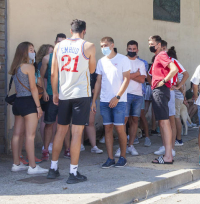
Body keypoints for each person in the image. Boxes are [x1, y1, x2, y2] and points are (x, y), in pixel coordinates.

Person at [47, 19, 96, 184]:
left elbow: (53, 74)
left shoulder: (59, 46)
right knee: (76, 133)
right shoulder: (88, 45)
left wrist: (55, 92)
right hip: (81, 93)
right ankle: (73, 172)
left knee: (60, 131)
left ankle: (53, 168)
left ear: (70, 30)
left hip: (64, 93)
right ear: (84, 30)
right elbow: (92, 70)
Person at [10, 42, 48, 174]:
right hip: (28, 102)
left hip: (18, 101)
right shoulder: (29, 67)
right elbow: (33, 88)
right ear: (24, 52)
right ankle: (33, 166)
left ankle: (16, 164)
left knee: (16, 134)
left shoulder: (15, 67)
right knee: (30, 136)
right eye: (30, 50)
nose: (33, 52)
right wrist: (38, 106)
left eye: (33, 49)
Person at [93, 37, 131, 168]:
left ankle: (123, 157)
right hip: (104, 101)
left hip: (119, 101)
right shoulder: (101, 61)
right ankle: (110, 158)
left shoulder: (123, 59)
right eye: (102, 45)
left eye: (106, 45)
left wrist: (117, 97)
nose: (103, 48)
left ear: (112, 45)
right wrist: (94, 100)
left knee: (120, 129)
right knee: (107, 128)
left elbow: (127, 79)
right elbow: (98, 81)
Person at [148, 35, 178, 164]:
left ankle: (168, 156)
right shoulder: (158, 57)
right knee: (163, 123)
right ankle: (168, 155)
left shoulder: (161, 55)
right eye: (149, 43)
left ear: (159, 44)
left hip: (161, 90)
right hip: (160, 91)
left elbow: (174, 69)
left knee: (164, 123)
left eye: (152, 43)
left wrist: (164, 81)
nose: (150, 46)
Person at [40, 34, 69, 161]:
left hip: (66, 95)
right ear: (55, 43)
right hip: (52, 95)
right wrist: (44, 91)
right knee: (49, 124)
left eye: (63, 42)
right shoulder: (47, 58)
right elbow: (40, 77)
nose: (60, 44)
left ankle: (67, 150)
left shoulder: (70, 58)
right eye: (58, 42)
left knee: (66, 124)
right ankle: (45, 150)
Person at [121, 40, 147, 156]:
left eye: (134, 49)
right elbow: (122, 77)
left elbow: (142, 80)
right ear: (127, 49)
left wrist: (130, 75)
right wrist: (136, 74)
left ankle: (130, 145)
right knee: (123, 120)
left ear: (137, 50)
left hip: (137, 95)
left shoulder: (140, 63)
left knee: (135, 120)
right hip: (124, 94)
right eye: (130, 49)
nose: (132, 51)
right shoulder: (122, 60)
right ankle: (122, 146)